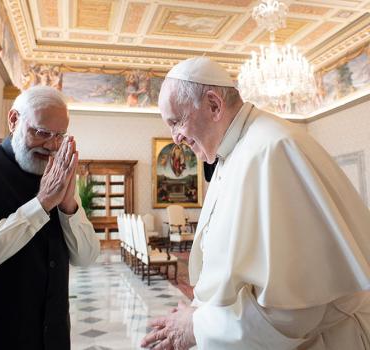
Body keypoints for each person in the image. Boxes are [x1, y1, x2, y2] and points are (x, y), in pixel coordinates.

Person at [142, 57, 370, 349]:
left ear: (213, 105)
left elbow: (295, 310)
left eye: (176, 122)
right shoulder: (231, 153)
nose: (176, 138)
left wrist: (198, 326)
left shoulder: (272, 149)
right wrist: (200, 313)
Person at [0, 85, 101, 349]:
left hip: (50, 336)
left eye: (59, 136)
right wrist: (42, 203)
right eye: (41, 132)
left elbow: (86, 257)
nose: (51, 145)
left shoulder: (59, 173)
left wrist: (69, 206)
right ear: (14, 120)